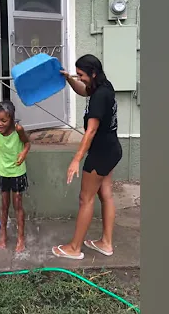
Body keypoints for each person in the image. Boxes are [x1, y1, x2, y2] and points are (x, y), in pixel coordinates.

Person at [51, 54, 122, 260]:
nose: (79, 77)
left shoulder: (100, 96)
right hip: (112, 149)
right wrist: (69, 79)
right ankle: (106, 243)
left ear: (92, 73)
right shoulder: (104, 86)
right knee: (105, 194)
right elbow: (84, 91)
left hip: (100, 153)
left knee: (86, 198)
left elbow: (90, 132)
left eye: (81, 74)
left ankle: (74, 248)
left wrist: (76, 159)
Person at [0, 101, 31, 252]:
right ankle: (3, 235)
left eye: (4, 120)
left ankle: (21, 238)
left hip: (17, 172)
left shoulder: (18, 130)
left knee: (17, 205)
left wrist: (23, 152)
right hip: (2, 172)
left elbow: (27, 143)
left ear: (12, 118)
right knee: (4, 205)